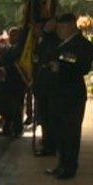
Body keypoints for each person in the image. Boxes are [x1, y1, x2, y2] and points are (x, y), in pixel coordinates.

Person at [46, 13, 93, 180]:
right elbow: (47, 53)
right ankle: (61, 163)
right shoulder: (58, 42)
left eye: (61, 27)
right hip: (57, 93)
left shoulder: (85, 45)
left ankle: (70, 166)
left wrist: (61, 63)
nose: (59, 30)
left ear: (70, 26)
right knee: (59, 131)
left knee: (71, 132)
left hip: (72, 95)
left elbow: (82, 66)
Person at [32, 18, 60, 155]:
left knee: (49, 117)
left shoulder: (54, 40)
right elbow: (37, 57)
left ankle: (50, 145)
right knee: (44, 116)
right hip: (42, 82)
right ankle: (46, 141)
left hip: (50, 84)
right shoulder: (42, 39)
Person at [0, 27, 27, 138]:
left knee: (17, 106)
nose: (13, 37)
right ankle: (6, 127)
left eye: (16, 35)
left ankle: (17, 129)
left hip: (17, 81)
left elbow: (19, 64)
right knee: (6, 106)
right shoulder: (4, 48)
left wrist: (6, 69)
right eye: (11, 35)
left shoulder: (21, 50)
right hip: (5, 82)